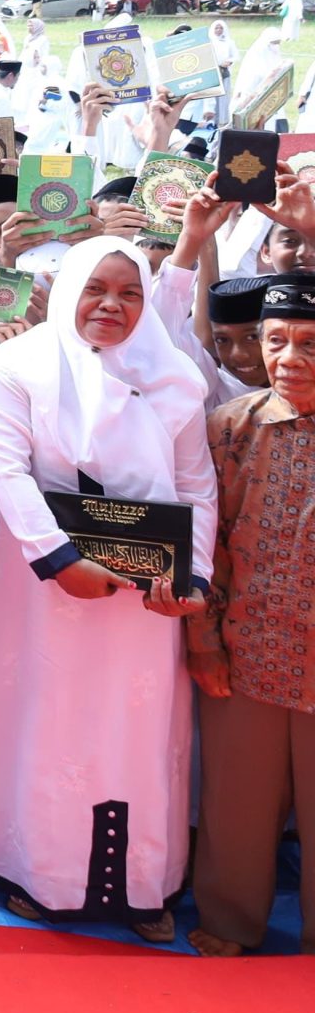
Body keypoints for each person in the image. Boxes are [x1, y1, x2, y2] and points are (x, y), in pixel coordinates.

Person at [0, 237, 213, 943]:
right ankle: (42, 874)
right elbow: (4, 467)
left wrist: (195, 576)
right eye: (96, 288)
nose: (112, 305)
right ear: (68, 288)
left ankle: (141, 885)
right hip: (46, 595)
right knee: (50, 726)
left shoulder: (176, 378)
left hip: (145, 600)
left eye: (130, 293)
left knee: (134, 733)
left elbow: (196, 485)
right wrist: (60, 558)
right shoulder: (20, 366)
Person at [188, 278, 315, 955]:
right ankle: (231, 924)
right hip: (247, 650)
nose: (289, 357)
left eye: (309, 343)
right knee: (236, 806)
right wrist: (203, 641)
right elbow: (208, 544)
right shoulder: (230, 428)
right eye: (277, 340)